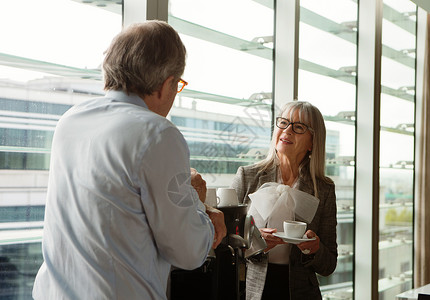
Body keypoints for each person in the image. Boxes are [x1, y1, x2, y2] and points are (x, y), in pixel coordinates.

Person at [32, 20, 226, 300]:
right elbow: (187, 252)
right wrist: (196, 203)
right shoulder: (158, 134)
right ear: (166, 84)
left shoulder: (71, 120)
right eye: (177, 86)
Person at [231, 101, 337, 300]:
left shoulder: (324, 189)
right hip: (251, 291)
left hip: (301, 293)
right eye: (283, 123)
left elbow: (329, 264)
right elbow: (225, 241)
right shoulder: (247, 176)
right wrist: (254, 240)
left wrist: (314, 249)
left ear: (312, 142)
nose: (287, 130)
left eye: (298, 127)